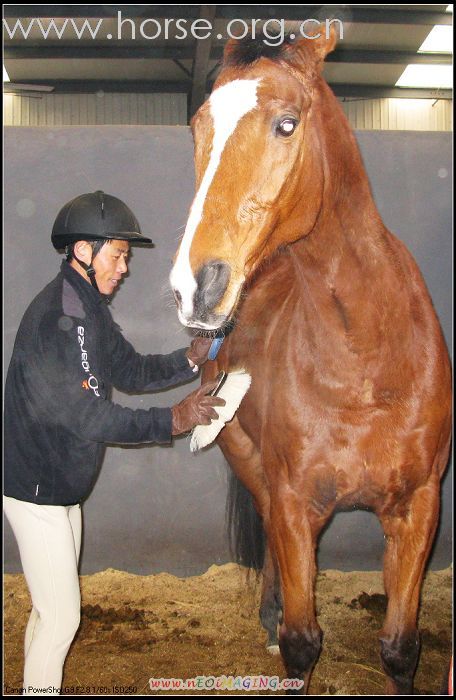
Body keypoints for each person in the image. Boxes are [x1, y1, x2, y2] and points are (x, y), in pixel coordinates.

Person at [3, 190, 224, 696]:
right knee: (61, 620)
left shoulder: (87, 307)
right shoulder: (64, 316)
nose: (124, 267)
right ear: (84, 250)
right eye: (118, 254)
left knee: (49, 611)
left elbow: (129, 369)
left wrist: (188, 360)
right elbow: (91, 415)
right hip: (36, 490)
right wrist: (173, 420)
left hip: (59, 487)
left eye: (125, 256)